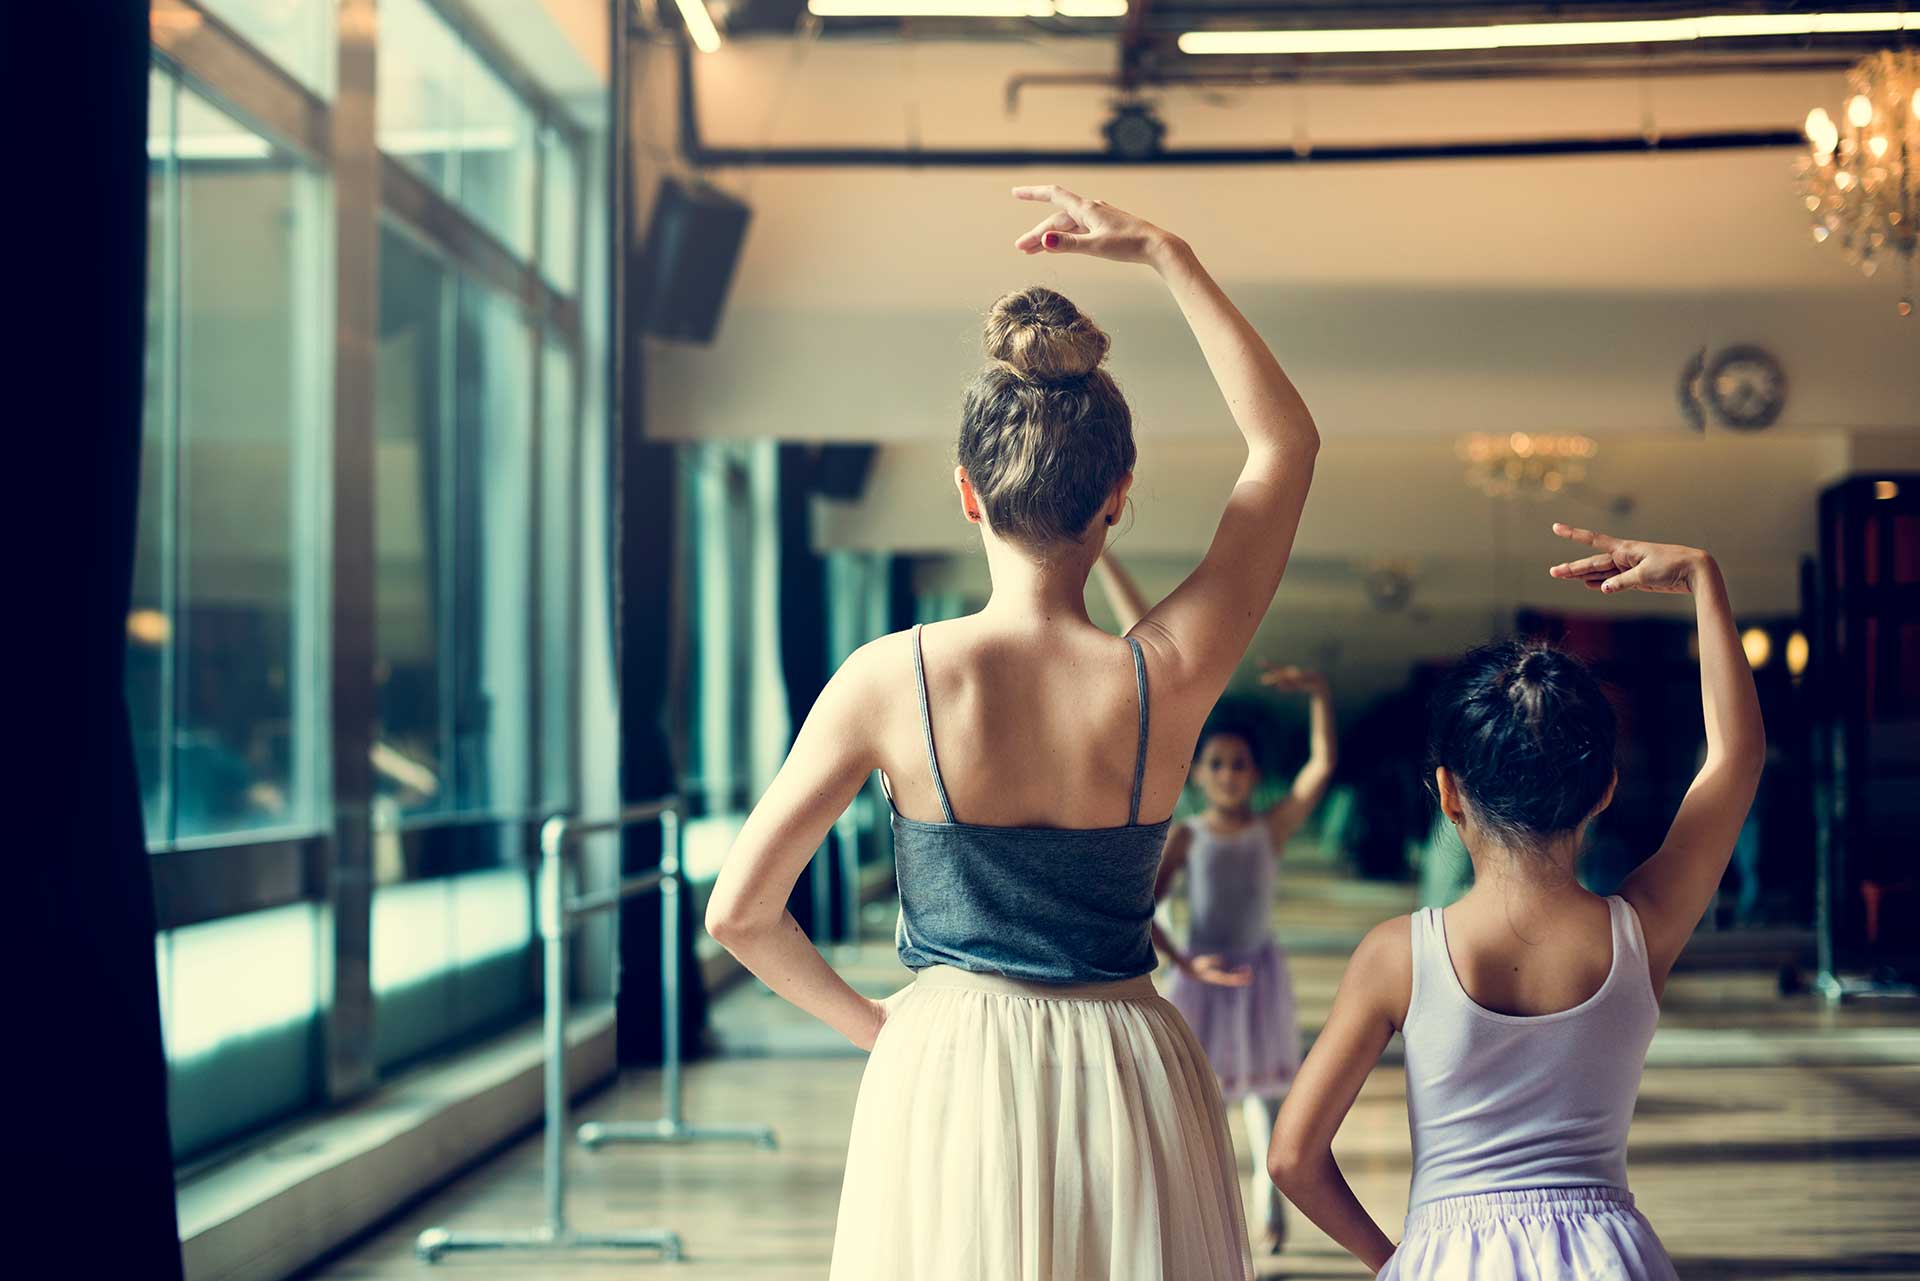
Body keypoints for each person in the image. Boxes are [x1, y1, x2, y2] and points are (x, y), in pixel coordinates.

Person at [704, 185, 1320, 1280]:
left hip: (949, 1058)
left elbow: (744, 913)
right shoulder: (1167, 676)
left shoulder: (886, 679)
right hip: (1130, 1060)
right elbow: (1285, 443)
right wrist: (1166, 253)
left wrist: (887, 1032)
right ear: (1117, 497)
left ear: (967, 495)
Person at [1266, 524, 1763, 1281]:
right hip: (1610, 1259)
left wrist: (1399, 1259)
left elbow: (1292, 1156)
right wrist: (1703, 576)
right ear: (1605, 790)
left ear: (1446, 793)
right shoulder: (1641, 933)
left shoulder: (1399, 956)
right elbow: (1735, 759)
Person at [1095, 550, 1336, 1257]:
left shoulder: (1270, 827)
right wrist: (1182, 962)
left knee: (1265, 1098)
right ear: (1199, 775)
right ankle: (1204, 1216)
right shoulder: (1188, 834)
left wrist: (1320, 692)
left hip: (1258, 976)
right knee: (1197, 1101)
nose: (1229, 772)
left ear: (1254, 775)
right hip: (1204, 978)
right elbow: (1145, 905)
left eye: (1239, 763)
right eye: (1217, 763)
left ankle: (1272, 1206)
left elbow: (1321, 767)